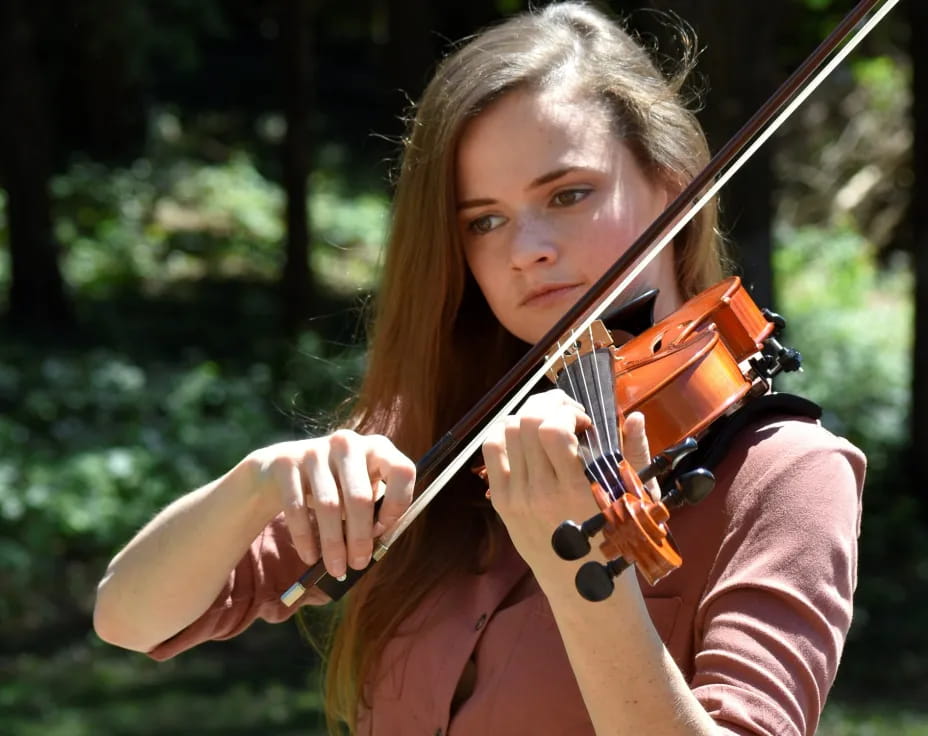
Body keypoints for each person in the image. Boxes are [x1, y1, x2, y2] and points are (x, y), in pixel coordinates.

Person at [92, 3, 865, 735]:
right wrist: (257, 483)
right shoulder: (436, 435)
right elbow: (130, 618)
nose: (526, 248)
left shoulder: (784, 479)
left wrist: (583, 572)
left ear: (674, 183)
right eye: (484, 220)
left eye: (568, 194)